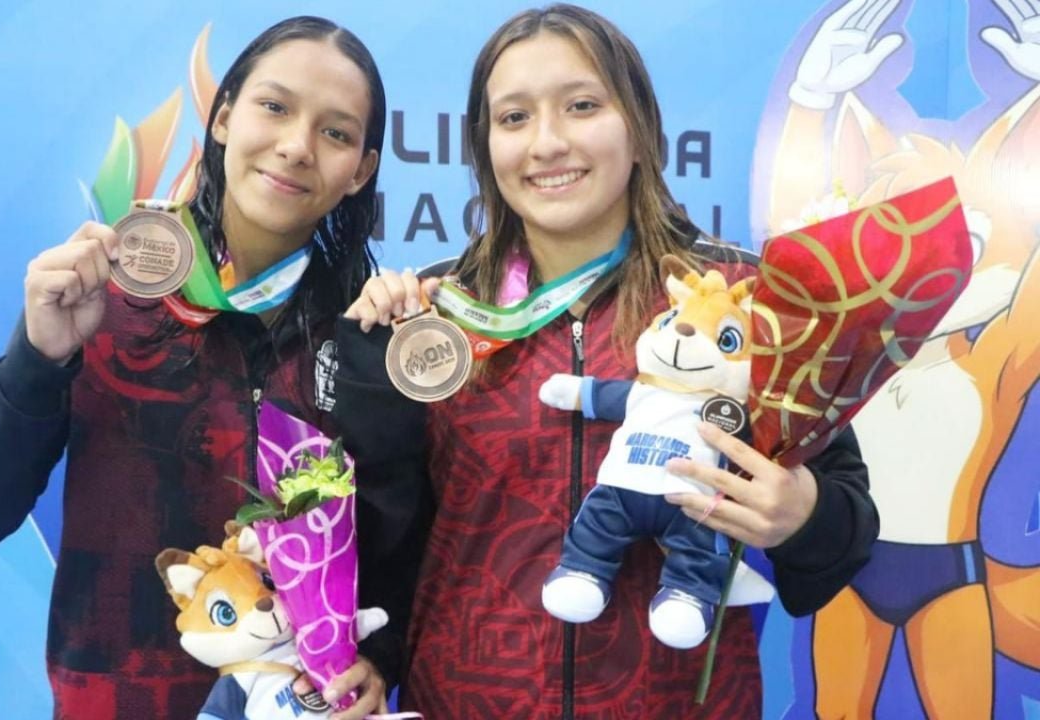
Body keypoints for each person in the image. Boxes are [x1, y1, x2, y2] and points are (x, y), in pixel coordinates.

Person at [333, 5, 879, 718]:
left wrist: (802, 514)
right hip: (469, 698)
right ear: (485, 147)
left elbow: (847, 520)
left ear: (639, 126)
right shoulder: (436, 316)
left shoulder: (742, 301)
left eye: (582, 106)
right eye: (514, 118)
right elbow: (387, 529)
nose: (548, 143)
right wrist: (372, 655)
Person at [0, 16, 401, 719]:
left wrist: (384, 654)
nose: (296, 146)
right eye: (274, 107)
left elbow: (399, 542)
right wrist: (40, 358)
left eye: (335, 133)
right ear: (223, 117)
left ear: (361, 170)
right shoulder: (110, 294)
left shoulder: (365, 334)